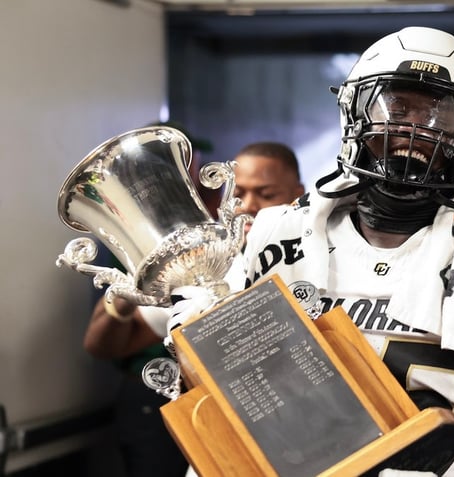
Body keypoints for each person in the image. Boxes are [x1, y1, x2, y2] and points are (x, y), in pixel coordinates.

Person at [170, 26, 454, 476]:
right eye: (396, 106)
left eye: (441, 114)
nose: (413, 129)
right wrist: (200, 346)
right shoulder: (280, 234)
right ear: (355, 113)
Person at [83, 140, 304, 477]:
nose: (249, 205)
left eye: (267, 194)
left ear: (297, 193)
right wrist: (127, 294)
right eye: (239, 192)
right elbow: (103, 345)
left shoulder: (315, 261)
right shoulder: (214, 265)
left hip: (307, 434)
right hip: (223, 448)